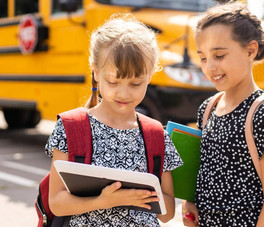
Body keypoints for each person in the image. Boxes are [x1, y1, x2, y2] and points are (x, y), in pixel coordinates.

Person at [45, 14, 183, 227]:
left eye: (136, 83)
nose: (124, 93)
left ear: (150, 75)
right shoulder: (71, 127)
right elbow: (56, 203)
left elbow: (167, 214)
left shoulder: (157, 135)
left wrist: (137, 196)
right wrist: (104, 201)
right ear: (96, 72)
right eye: (113, 81)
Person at [182, 2, 264, 227]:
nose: (209, 67)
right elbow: (205, 171)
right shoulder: (208, 108)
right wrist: (191, 201)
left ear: (250, 50)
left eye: (219, 55)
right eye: (203, 58)